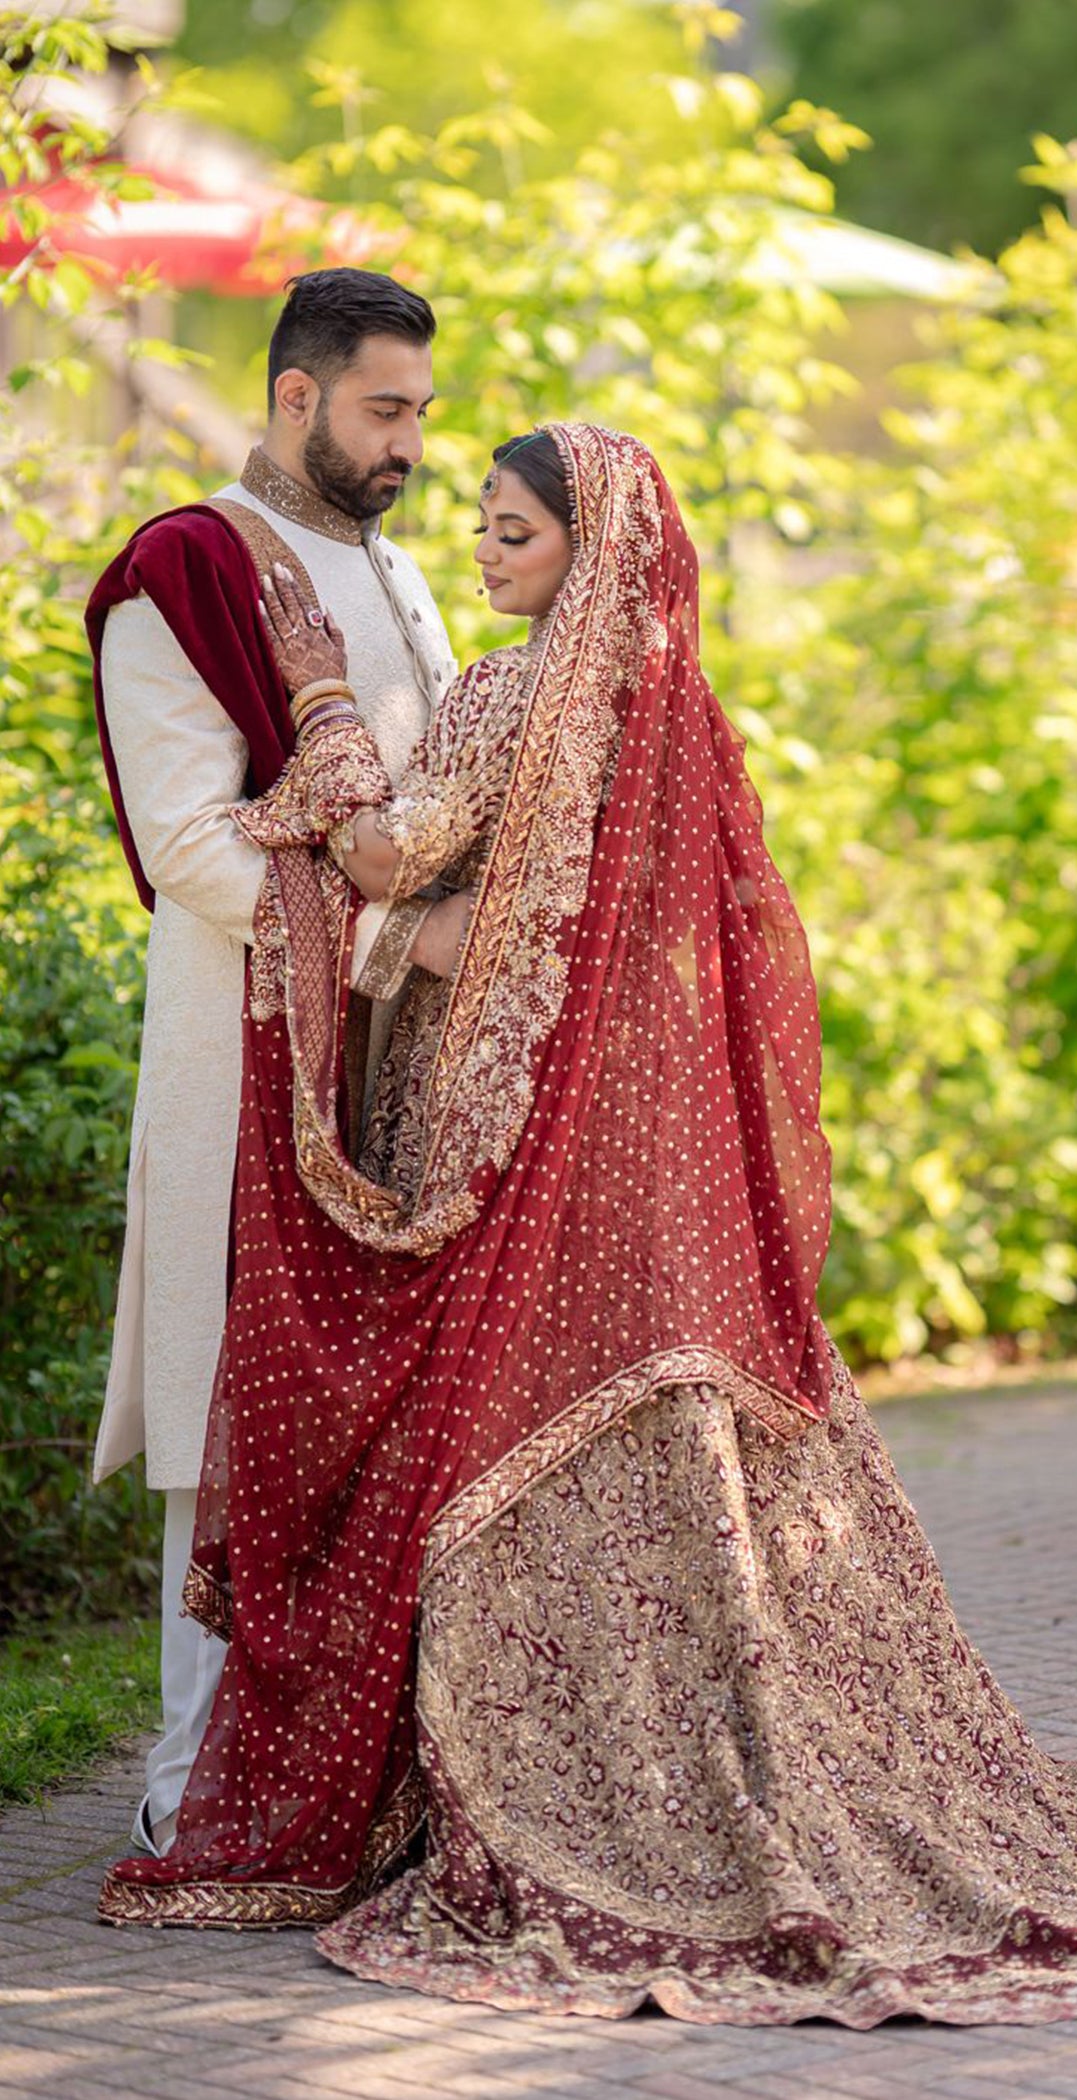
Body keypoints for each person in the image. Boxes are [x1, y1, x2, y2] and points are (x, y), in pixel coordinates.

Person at [98, 423, 1077, 2025]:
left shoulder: (500, 700)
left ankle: (550, 1783)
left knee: (487, 1423)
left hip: (519, 1151)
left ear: (585, 548)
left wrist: (331, 727)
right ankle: (740, 1742)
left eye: (514, 534)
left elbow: (386, 849)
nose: (485, 553)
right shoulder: (683, 720)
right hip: (643, 1157)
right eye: (479, 529)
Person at [85, 267, 469, 1861]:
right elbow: (190, 847)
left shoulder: (409, 578)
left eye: (425, 416)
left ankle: (367, 1782)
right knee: (235, 1401)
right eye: (386, 411)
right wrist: (397, 943)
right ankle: (197, 1780)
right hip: (252, 1050)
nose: (411, 446)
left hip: (412, 1054)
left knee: (394, 1414)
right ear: (296, 395)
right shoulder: (180, 571)